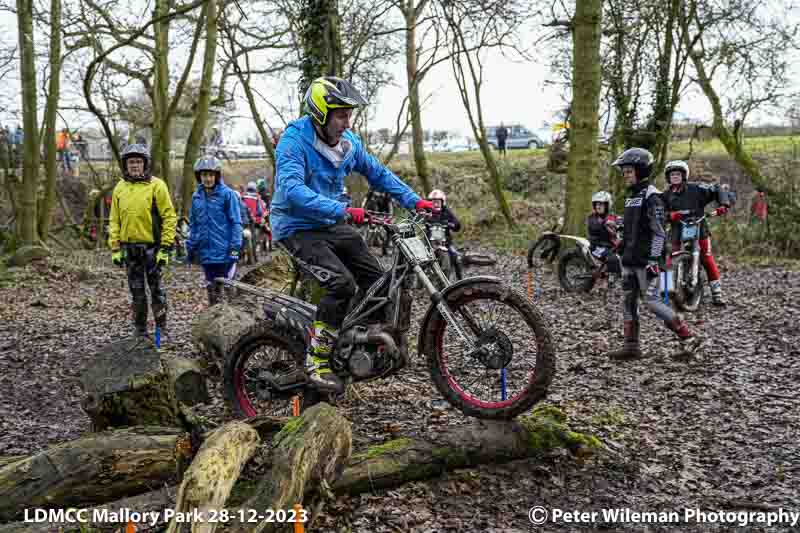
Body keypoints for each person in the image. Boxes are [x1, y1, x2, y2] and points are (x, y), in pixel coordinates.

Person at [270, 76, 435, 393]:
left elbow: (379, 174)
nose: (348, 121)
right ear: (320, 113)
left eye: (350, 114)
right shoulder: (294, 142)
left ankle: (355, 344)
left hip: (332, 222)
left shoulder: (349, 145)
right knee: (340, 283)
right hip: (296, 227)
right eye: (341, 114)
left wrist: (417, 201)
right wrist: (341, 210)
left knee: (379, 280)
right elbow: (291, 191)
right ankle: (316, 361)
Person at [605, 148, 698, 361]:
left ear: (640, 170)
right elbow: (633, 226)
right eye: (624, 172)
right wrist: (618, 230)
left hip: (647, 261)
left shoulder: (652, 196)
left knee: (653, 301)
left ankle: (688, 337)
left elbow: (658, 232)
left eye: (628, 172)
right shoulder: (632, 196)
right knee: (628, 301)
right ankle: (631, 346)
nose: (625, 176)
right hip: (629, 258)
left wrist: (654, 260)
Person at [108, 144, 177, 339]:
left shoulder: (157, 185)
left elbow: (169, 217)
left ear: (145, 164)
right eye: (131, 162)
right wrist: (114, 247)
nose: (135, 165)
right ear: (125, 165)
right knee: (136, 292)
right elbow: (114, 220)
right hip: (129, 248)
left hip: (152, 247)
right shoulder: (120, 188)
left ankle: (161, 326)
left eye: (138, 161)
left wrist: (165, 247)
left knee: (156, 290)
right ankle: (140, 329)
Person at [661, 160, 730, 306]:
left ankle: (717, 293)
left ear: (684, 175)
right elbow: (658, 213)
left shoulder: (697, 188)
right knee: (669, 259)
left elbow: (717, 188)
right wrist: (669, 216)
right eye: (672, 174)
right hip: (677, 230)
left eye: (678, 174)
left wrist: (723, 205)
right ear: (668, 177)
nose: (675, 177)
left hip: (699, 227)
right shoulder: (665, 196)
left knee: (706, 257)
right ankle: (665, 290)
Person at [186, 156, 242, 306]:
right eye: (204, 175)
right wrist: (191, 247)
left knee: (230, 291)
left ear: (217, 176)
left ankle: (234, 323)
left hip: (225, 253)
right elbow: (194, 224)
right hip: (206, 254)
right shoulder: (196, 197)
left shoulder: (227, 195)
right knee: (212, 292)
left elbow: (236, 223)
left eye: (211, 175)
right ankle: (215, 323)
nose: (208, 178)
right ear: (199, 176)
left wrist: (235, 250)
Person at [586, 190, 620, 262]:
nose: (598, 207)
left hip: (612, 246)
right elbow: (594, 226)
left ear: (607, 205)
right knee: (613, 259)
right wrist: (605, 223)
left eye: (601, 204)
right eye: (596, 204)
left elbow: (621, 222)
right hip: (596, 247)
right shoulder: (592, 218)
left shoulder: (612, 216)